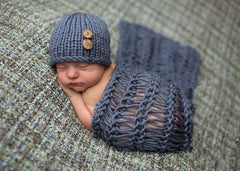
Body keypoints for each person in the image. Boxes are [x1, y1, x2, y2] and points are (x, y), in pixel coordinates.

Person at [49, 12, 200, 152]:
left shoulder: (109, 74)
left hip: (159, 107)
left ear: (104, 63)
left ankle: (172, 119)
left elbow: (92, 123)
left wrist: (74, 97)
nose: (72, 74)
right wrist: (74, 96)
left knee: (156, 101)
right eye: (62, 67)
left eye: (83, 66)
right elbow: (96, 123)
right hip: (138, 121)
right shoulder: (91, 93)